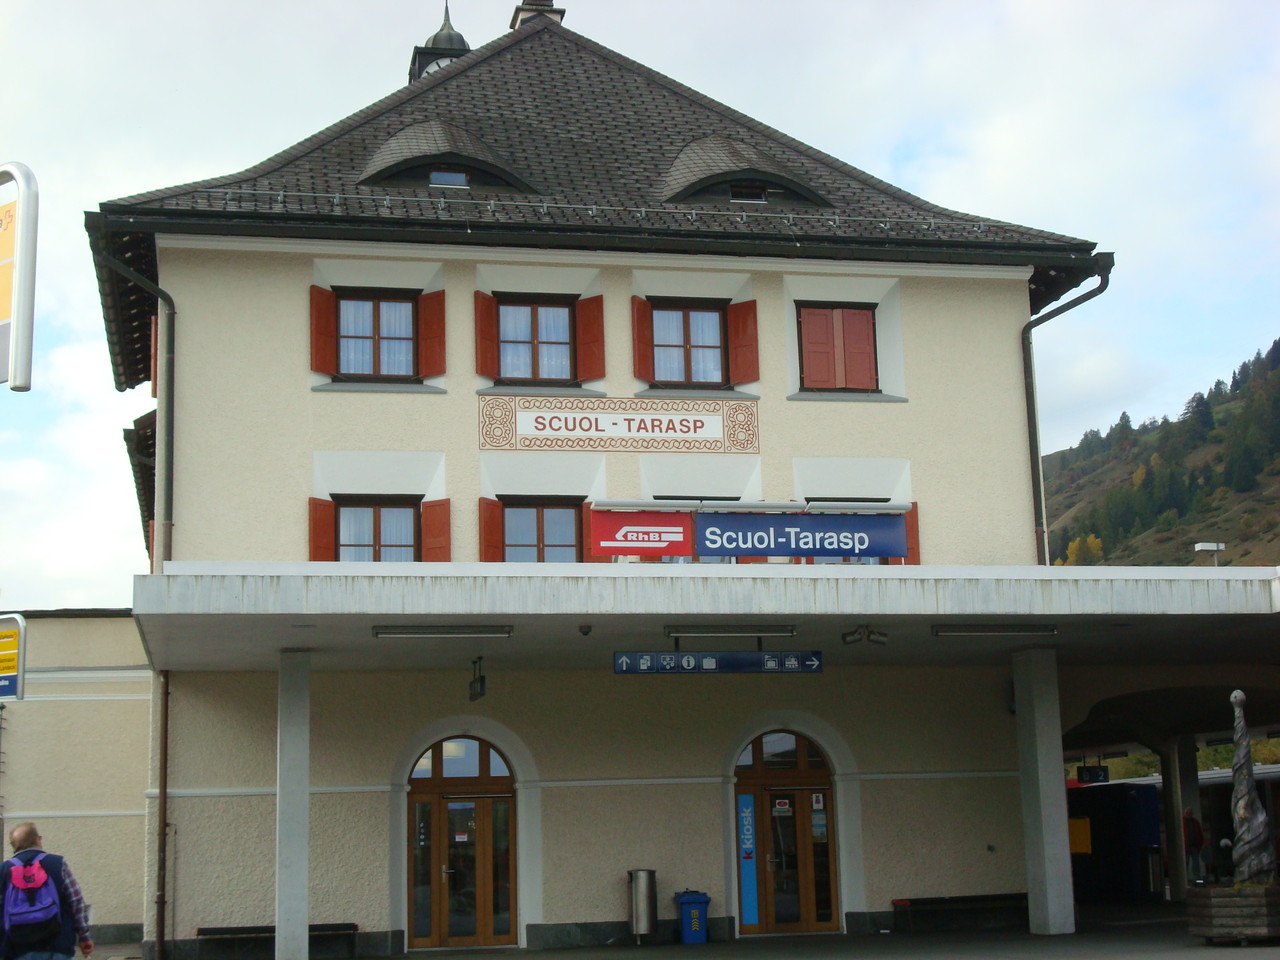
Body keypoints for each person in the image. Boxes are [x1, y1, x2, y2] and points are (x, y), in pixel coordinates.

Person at [0, 824, 93, 959]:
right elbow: (76, 900)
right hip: (58, 945)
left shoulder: (4, 870)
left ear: (14, 845)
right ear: (37, 840)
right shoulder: (57, 863)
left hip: (17, 948)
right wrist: (84, 936)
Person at [1183, 807, 1205, 883]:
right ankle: (1183, 878)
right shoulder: (1182, 822)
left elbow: (1199, 833)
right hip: (1186, 846)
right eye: (1188, 813)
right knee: (1185, 862)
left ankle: (1197, 878)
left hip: (1194, 845)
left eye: (1190, 813)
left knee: (1196, 863)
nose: (1189, 814)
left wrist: (1200, 844)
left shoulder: (1195, 822)